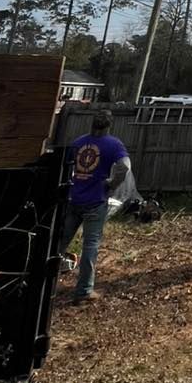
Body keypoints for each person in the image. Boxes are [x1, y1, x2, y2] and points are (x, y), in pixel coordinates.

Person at [61, 109, 130, 304]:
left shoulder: (78, 143)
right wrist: (112, 184)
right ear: (109, 125)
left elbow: (64, 165)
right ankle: (83, 290)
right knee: (90, 245)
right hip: (95, 201)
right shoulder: (113, 145)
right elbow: (125, 166)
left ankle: (42, 284)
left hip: (73, 199)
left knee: (60, 242)